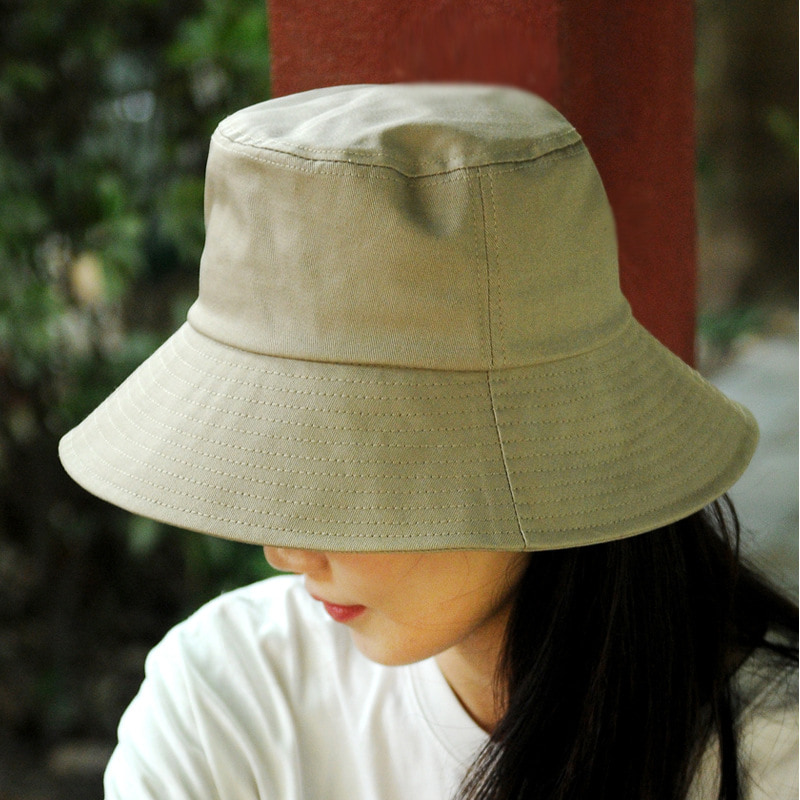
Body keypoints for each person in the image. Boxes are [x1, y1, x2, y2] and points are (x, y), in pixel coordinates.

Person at [59, 83, 797, 800]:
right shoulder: (226, 699)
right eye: (277, 461)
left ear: (534, 446)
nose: (283, 552)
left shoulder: (777, 754)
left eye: (341, 470)